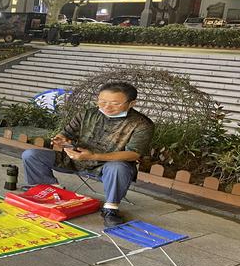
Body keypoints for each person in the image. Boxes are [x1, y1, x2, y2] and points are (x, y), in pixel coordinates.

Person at [21, 82, 154, 227]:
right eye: (102, 102)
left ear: (131, 103)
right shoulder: (88, 114)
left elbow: (133, 154)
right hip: (76, 158)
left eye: (115, 103)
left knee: (119, 167)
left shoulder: (142, 124)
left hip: (108, 166)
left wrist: (93, 156)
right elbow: (66, 133)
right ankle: (48, 190)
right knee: (31, 154)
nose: (106, 107)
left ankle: (110, 209)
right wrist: (61, 139)